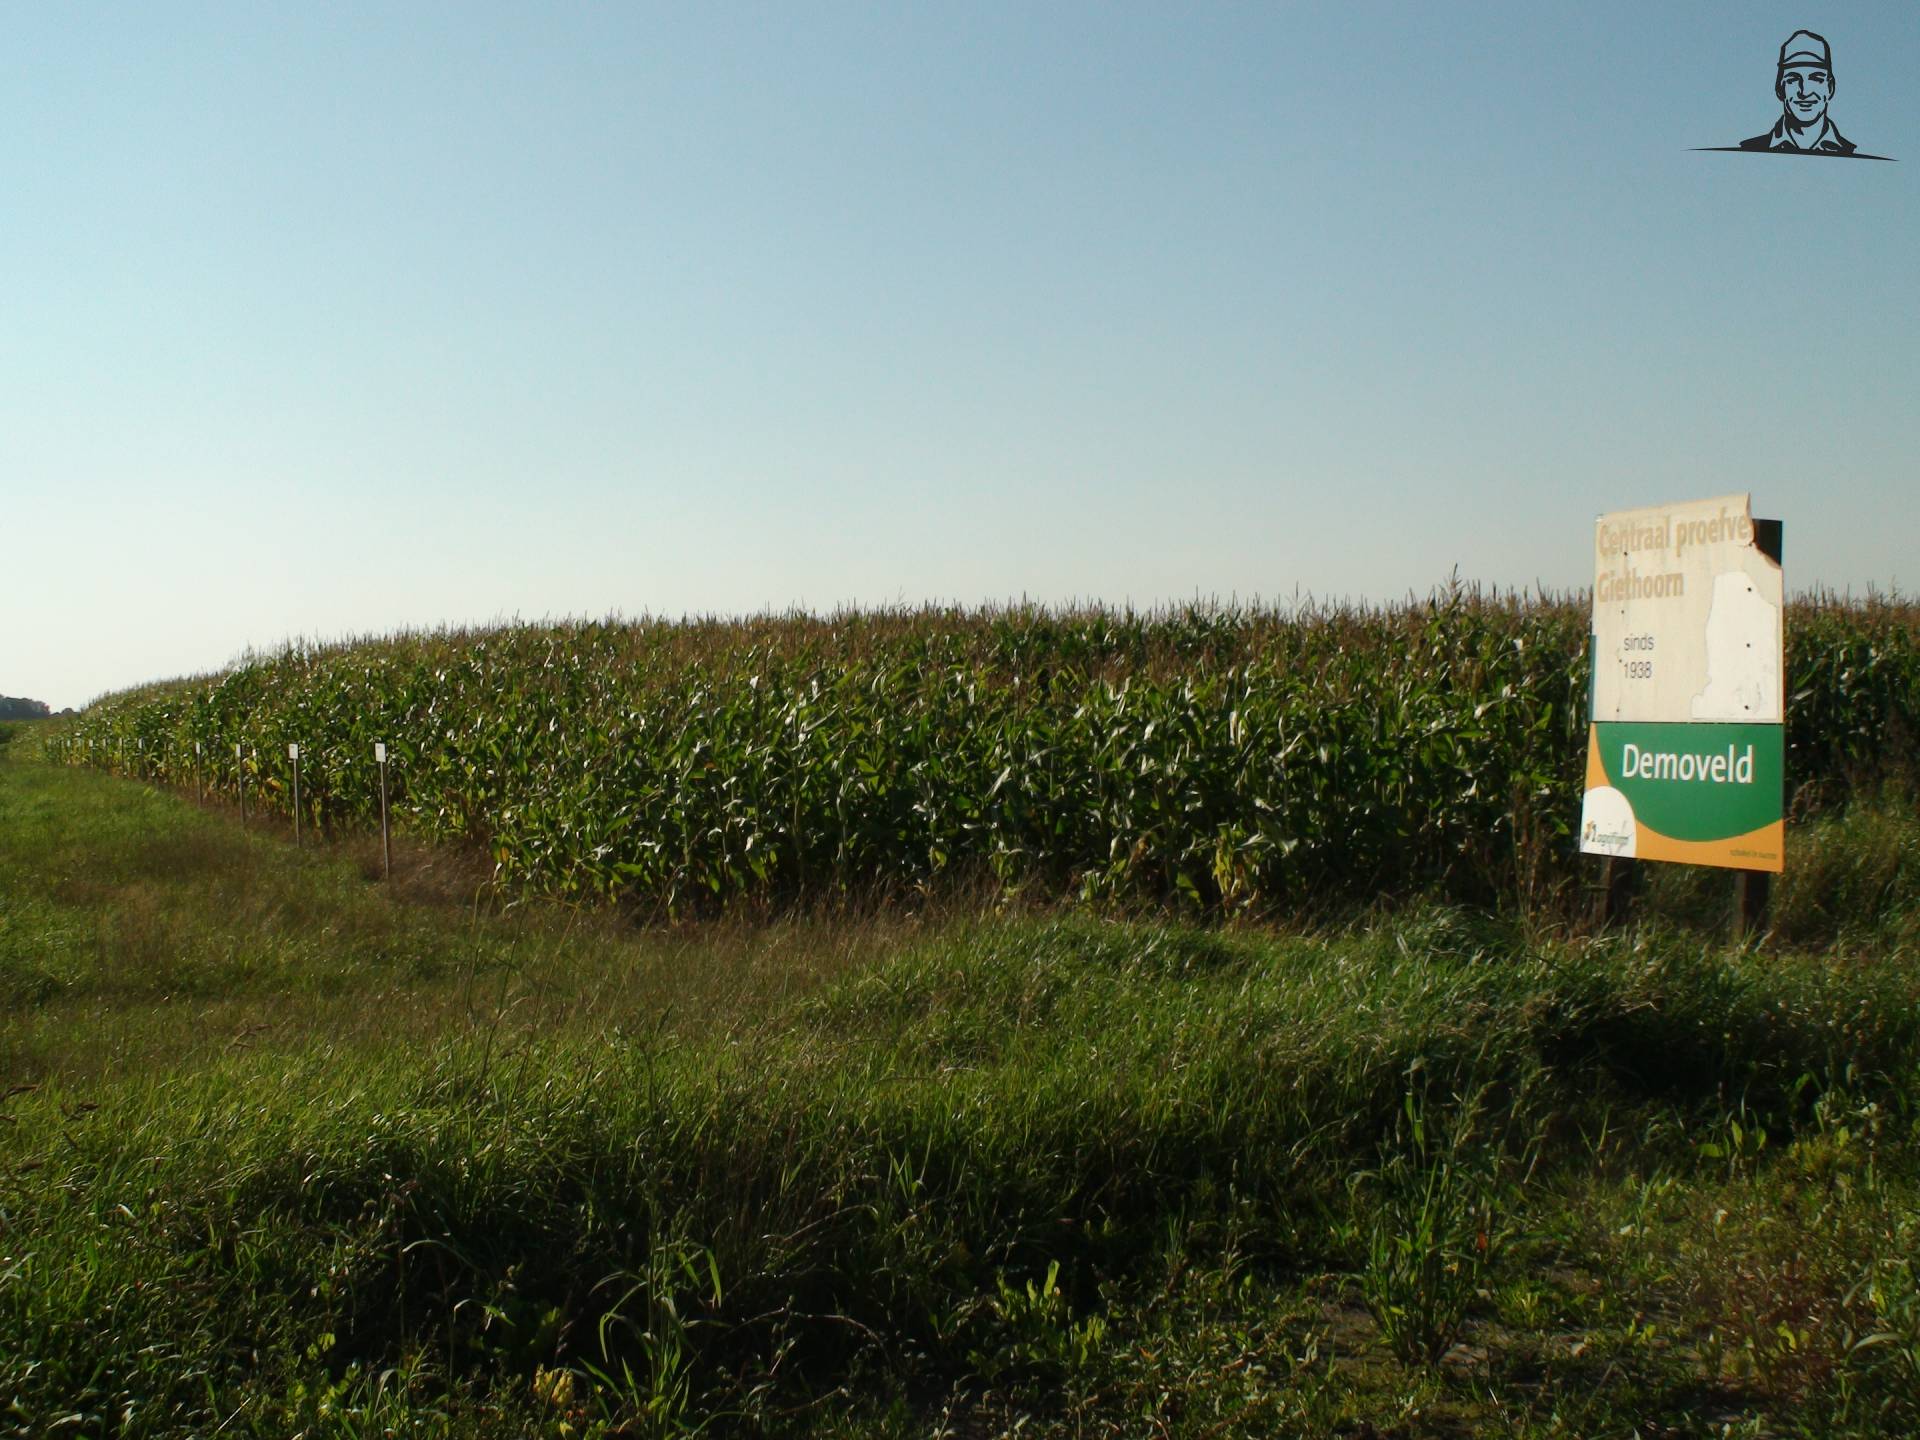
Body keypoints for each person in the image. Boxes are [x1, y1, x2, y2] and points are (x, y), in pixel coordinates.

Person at [1739, 30, 1855, 154]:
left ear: (1830, 88)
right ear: (1779, 89)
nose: (1804, 92)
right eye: (1793, 79)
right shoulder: (1748, 151)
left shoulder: (1854, 155)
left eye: (1816, 79)